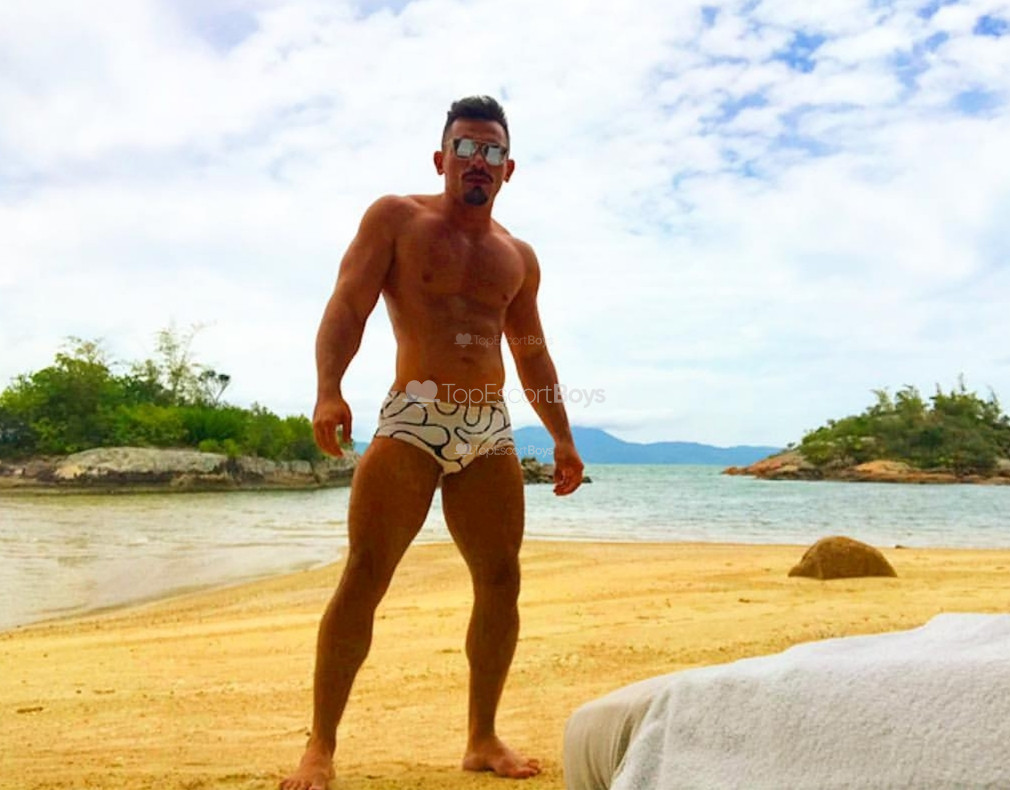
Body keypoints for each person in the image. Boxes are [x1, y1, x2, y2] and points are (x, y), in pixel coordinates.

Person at [281, 95, 585, 790]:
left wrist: (563, 437)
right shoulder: (397, 219)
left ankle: (482, 737)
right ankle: (320, 747)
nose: (479, 161)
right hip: (413, 418)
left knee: (501, 580)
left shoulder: (518, 257)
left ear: (509, 169)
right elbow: (348, 304)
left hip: (489, 427)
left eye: (492, 151)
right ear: (442, 158)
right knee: (366, 573)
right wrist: (329, 389)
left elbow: (531, 352)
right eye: (467, 148)